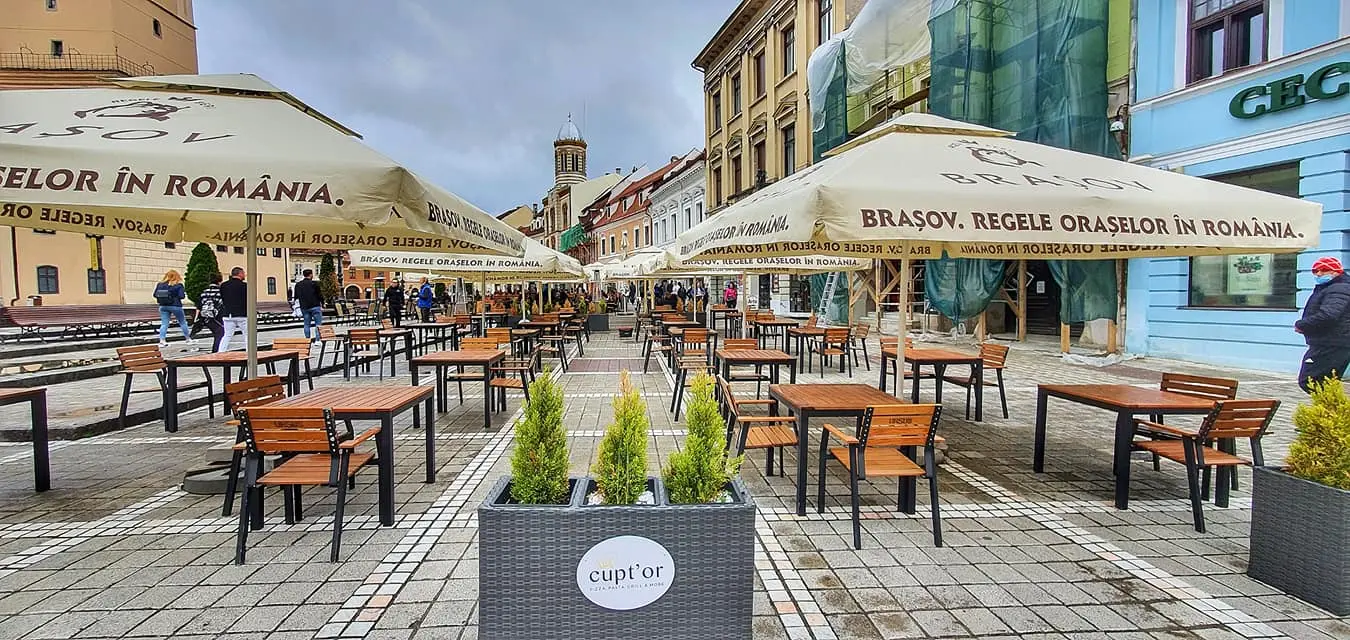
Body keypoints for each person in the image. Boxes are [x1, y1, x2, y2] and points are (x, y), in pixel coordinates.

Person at [1295, 256, 1350, 392]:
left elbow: (1329, 315)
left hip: (1332, 343)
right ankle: (1330, 409)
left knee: (1311, 381)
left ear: (1337, 271)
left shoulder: (1339, 288)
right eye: (1315, 270)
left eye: (1324, 270)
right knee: (1325, 383)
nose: (1319, 274)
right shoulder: (1329, 287)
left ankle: (1330, 409)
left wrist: (1302, 325)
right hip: (1331, 342)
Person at [153, 269, 192, 348]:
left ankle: (162, 341)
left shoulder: (160, 284)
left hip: (163, 306)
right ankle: (188, 339)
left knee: (164, 324)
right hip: (175, 306)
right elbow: (182, 296)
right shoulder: (178, 285)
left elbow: (154, 295)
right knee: (182, 322)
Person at [217, 267, 248, 352]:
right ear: (240, 273)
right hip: (242, 314)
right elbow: (248, 300)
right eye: (243, 273)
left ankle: (221, 352)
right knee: (248, 335)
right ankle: (249, 353)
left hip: (227, 314)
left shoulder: (224, 285)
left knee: (227, 335)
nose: (244, 275)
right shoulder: (245, 286)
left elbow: (222, 298)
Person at [293, 269, 324, 341]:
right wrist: (322, 303)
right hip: (315, 306)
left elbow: (296, 297)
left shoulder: (298, 285)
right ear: (311, 275)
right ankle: (317, 340)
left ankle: (307, 340)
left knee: (306, 324)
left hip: (304, 307)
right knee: (318, 324)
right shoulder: (314, 283)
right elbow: (319, 295)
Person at [196, 272, 224, 350]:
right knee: (220, 332)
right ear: (219, 281)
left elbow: (199, 306)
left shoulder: (204, 292)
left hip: (206, 317)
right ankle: (216, 350)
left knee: (217, 333)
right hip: (217, 316)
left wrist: (197, 319)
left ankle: (217, 349)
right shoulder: (221, 291)